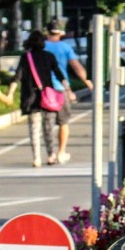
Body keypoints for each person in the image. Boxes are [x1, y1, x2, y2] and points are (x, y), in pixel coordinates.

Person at [16, 29, 66, 168]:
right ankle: (51, 155)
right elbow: (58, 72)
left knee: (34, 129)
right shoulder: (49, 56)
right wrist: (67, 88)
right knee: (48, 127)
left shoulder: (26, 57)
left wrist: (10, 91)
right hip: (47, 98)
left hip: (31, 98)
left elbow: (18, 76)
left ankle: (36, 158)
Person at [43, 19, 84, 164]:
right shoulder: (66, 48)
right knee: (63, 122)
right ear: (60, 33)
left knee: (47, 123)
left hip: (45, 90)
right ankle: (61, 152)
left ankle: (50, 153)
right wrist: (88, 82)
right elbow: (76, 66)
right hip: (61, 89)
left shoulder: (42, 47)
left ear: (47, 32)